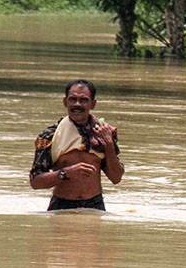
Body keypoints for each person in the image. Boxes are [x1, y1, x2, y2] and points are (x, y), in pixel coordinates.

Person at [29, 79, 124, 211]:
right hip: (61, 205)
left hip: (94, 206)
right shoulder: (49, 135)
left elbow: (116, 178)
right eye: (72, 99)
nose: (77, 104)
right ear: (65, 102)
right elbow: (35, 182)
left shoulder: (104, 133)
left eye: (83, 100)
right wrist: (66, 172)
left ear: (93, 104)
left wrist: (108, 144)